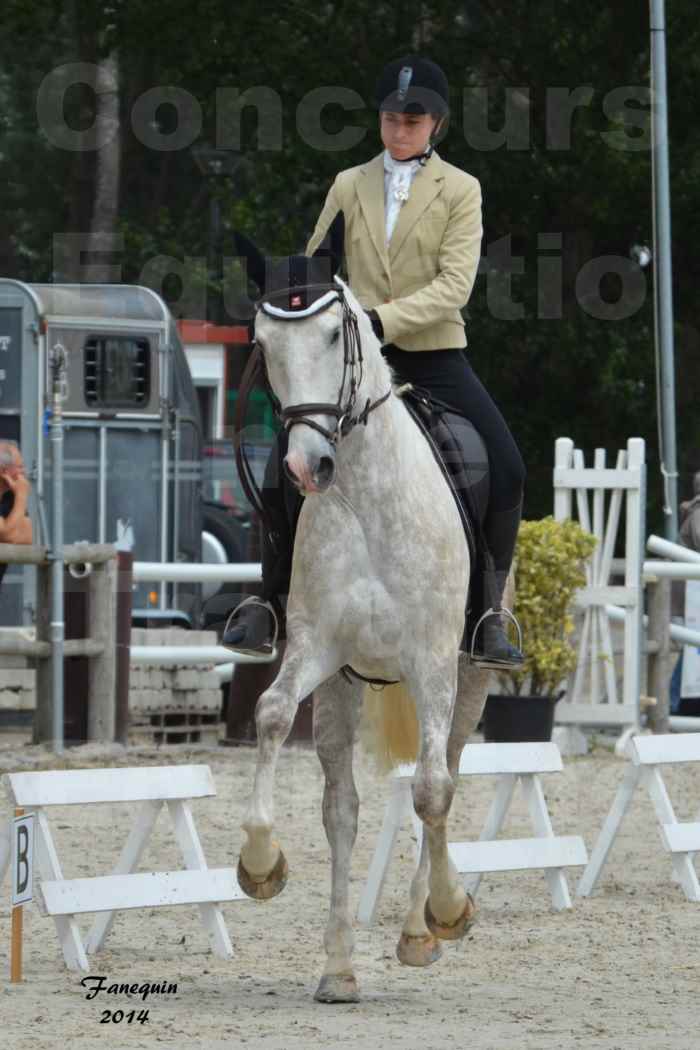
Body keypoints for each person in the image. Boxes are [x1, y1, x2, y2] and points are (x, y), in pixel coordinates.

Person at [224, 55, 525, 670]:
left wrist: (378, 321)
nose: (399, 130)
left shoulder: (461, 191)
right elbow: (314, 272)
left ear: (435, 125)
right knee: (288, 463)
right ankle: (269, 602)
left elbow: (454, 286)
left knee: (508, 466)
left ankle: (486, 613)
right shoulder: (347, 184)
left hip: (435, 353)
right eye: (391, 118)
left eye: (412, 121)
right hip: (350, 363)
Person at [0, 440, 33, 591]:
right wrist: (21, 497)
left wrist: (8, 529)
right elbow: (8, 536)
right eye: (20, 467)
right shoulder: (18, 495)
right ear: (4, 471)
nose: (24, 472)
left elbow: (28, 536)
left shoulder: (10, 497)